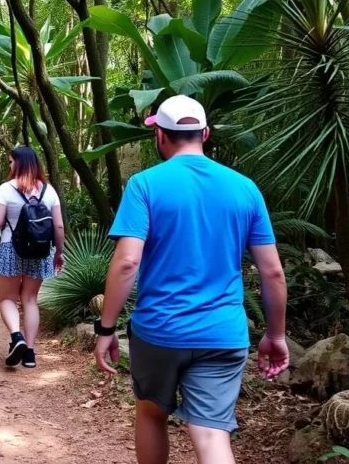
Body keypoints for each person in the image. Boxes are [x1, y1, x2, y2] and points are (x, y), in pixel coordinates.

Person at [93, 95, 288, 464]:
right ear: (206, 134)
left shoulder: (144, 185)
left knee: (151, 414)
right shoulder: (244, 187)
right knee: (212, 434)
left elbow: (126, 264)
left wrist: (106, 330)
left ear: (160, 137)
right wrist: (275, 335)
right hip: (222, 332)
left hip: (159, 332)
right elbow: (273, 271)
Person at [0, 146, 65, 368]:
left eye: (11, 162)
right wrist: (58, 252)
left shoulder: (6, 189)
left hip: (11, 247)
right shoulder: (49, 190)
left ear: (19, 164)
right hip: (40, 251)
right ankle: (30, 353)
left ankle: (16, 337)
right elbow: (58, 225)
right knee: (30, 299)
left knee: (7, 299)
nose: (9, 166)